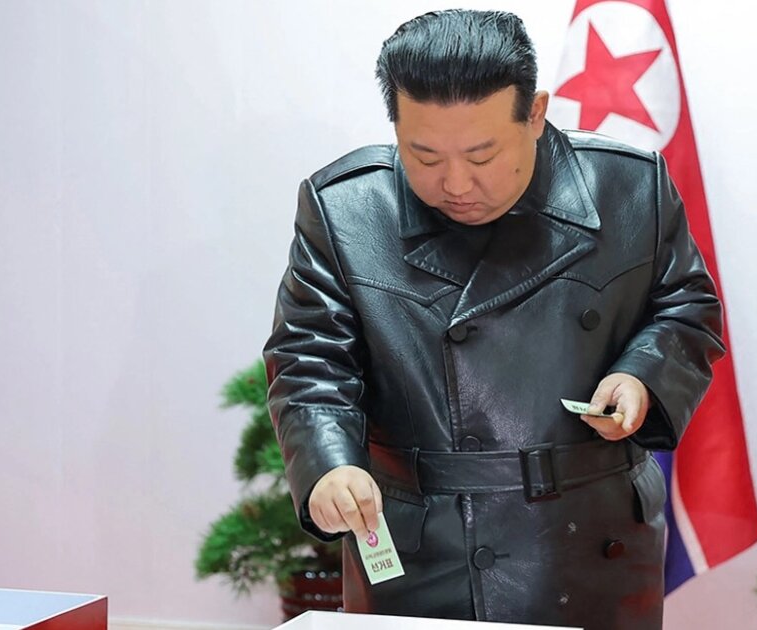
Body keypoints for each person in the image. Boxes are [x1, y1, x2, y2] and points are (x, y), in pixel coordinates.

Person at [264, 9, 724, 629]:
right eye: (424, 155)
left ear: (535, 114)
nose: (456, 183)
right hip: (425, 547)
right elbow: (310, 358)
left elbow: (686, 308)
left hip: (589, 537)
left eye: (482, 155)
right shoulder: (347, 208)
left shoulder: (629, 186)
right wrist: (330, 463)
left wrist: (641, 375)